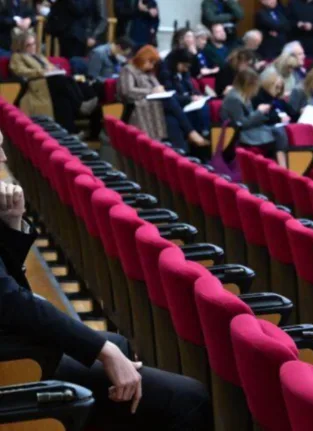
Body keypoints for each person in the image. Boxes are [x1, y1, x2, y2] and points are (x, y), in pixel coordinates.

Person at [0, 132, 213, 431]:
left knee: (120, 345)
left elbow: (14, 293)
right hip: (14, 361)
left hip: (17, 345)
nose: (4, 158)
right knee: (190, 398)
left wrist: (12, 222)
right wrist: (103, 349)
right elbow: (12, 301)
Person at [117, 45, 208, 151]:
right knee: (170, 101)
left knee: (172, 119)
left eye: (153, 63)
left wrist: (160, 90)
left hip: (153, 104)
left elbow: (158, 87)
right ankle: (191, 132)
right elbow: (127, 91)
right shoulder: (128, 69)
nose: (152, 66)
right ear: (143, 59)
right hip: (138, 104)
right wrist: (151, 91)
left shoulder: (149, 72)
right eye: (150, 62)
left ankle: (181, 151)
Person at [10, 31, 97, 134]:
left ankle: (77, 125)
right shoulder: (17, 56)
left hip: (49, 81)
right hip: (37, 84)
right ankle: (80, 105)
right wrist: (42, 71)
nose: (33, 47)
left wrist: (54, 69)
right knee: (62, 80)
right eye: (29, 45)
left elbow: (50, 67)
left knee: (69, 83)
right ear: (21, 45)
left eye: (34, 43)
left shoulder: (39, 56)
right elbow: (21, 71)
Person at [221, 68, 289, 167]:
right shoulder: (234, 98)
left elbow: (250, 117)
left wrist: (262, 113)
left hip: (251, 128)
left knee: (279, 132)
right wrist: (259, 112)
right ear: (248, 85)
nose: (256, 90)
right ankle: (279, 169)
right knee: (276, 137)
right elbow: (241, 124)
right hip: (242, 133)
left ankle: (280, 168)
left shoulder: (243, 94)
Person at [160, 48, 211, 139]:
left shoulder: (185, 72)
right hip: (179, 103)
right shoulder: (165, 74)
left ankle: (205, 133)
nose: (186, 69)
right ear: (176, 62)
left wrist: (197, 94)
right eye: (184, 66)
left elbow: (191, 87)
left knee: (205, 106)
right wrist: (189, 98)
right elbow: (171, 95)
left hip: (188, 100)